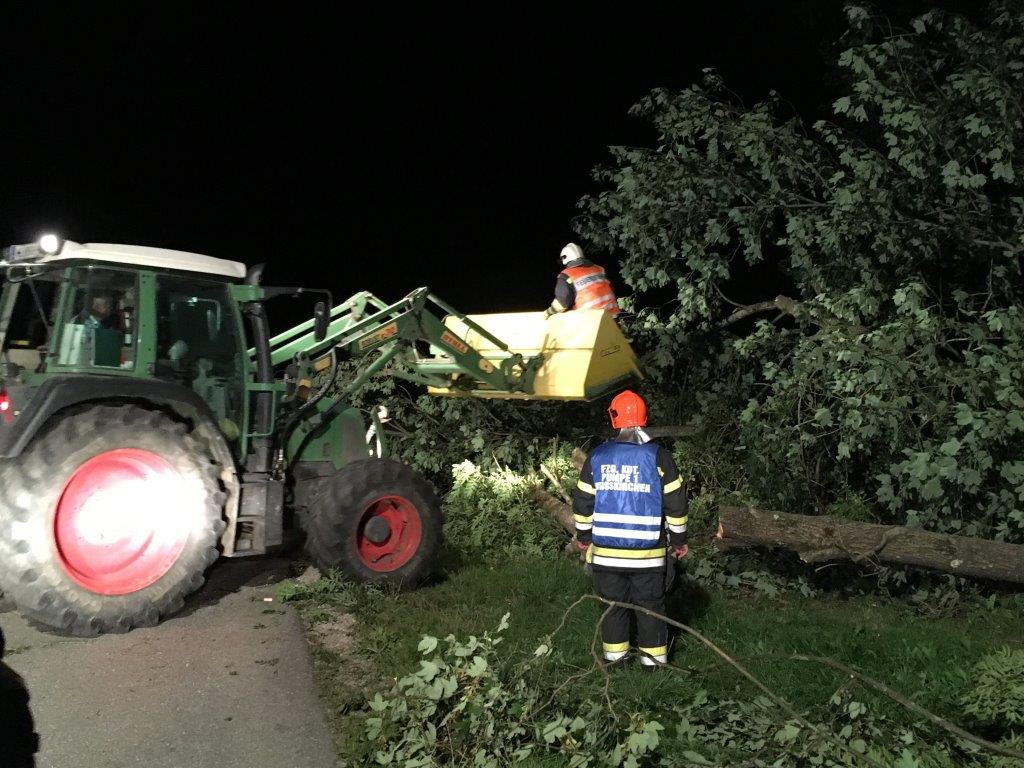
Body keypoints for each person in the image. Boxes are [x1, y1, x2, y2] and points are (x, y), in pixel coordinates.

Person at [572, 390, 688, 667]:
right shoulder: (659, 457)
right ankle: (653, 665)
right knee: (651, 609)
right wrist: (679, 540)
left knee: (613, 608)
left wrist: (584, 538)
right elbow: (676, 502)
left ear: (613, 419)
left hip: (606, 556)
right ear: (644, 418)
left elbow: (583, 502)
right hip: (648, 557)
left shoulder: (597, 457)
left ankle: (615, 661)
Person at [543, 242, 620, 319]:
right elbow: (611, 288)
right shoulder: (599, 269)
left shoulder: (566, 275)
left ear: (565, 259)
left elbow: (562, 302)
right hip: (613, 316)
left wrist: (549, 312)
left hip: (591, 319)